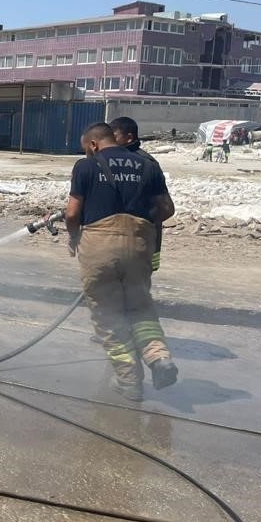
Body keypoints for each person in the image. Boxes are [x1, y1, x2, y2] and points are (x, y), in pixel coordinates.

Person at [65, 122, 178, 402]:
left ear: (93, 144)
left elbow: (71, 214)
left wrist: (73, 237)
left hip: (100, 246)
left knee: (108, 315)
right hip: (139, 246)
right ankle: (159, 358)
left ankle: (129, 381)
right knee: (141, 307)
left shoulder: (85, 166)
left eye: (87, 149)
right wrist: (140, 227)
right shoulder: (148, 165)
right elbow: (167, 209)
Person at [110, 117, 166, 272]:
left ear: (129, 137)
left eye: (114, 137)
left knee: (134, 286)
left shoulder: (144, 163)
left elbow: (163, 207)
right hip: (129, 236)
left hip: (139, 236)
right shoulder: (116, 160)